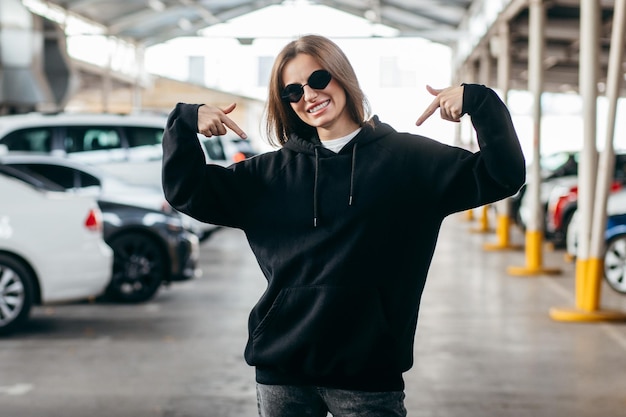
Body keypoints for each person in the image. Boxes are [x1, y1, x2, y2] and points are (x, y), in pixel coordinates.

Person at [162, 34, 525, 417]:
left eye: (318, 79)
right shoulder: (269, 176)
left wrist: (480, 103)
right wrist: (184, 123)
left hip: (368, 376)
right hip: (283, 376)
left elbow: (503, 175)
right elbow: (188, 192)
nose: (309, 95)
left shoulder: (409, 162)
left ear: (342, 77)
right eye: (293, 91)